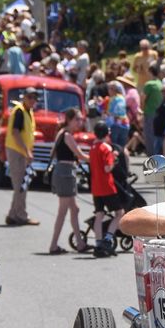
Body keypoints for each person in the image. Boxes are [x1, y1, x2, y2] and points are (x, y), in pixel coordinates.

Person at [48, 108, 90, 255]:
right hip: (65, 173)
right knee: (63, 211)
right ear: (70, 120)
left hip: (64, 172)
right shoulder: (67, 135)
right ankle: (53, 245)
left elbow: (53, 153)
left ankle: (80, 243)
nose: (80, 122)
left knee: (75, 209)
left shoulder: (62, 133)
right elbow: (81, 155)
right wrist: (97, 158)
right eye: (77, 119)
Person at [3, 87, 40, 226]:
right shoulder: (19, 111)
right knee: (20, 185)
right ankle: (20, 215)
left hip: (22, 151)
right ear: (24, 97)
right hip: (17, 151)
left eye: (34, 98)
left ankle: (14, 214)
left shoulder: (28, 111)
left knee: (22, 185)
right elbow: (15, 133)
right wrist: (27, 151)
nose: (32, 100)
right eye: (30, 97)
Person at [87, 122, 123, 257]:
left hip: (96, 187)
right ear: (106, 134)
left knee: (99, 215)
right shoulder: (106, 148)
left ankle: (98, 243)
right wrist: (113, 157)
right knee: (119, 213)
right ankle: (108, 239)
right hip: (107, 187)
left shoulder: (92, 148)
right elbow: (108, 168)